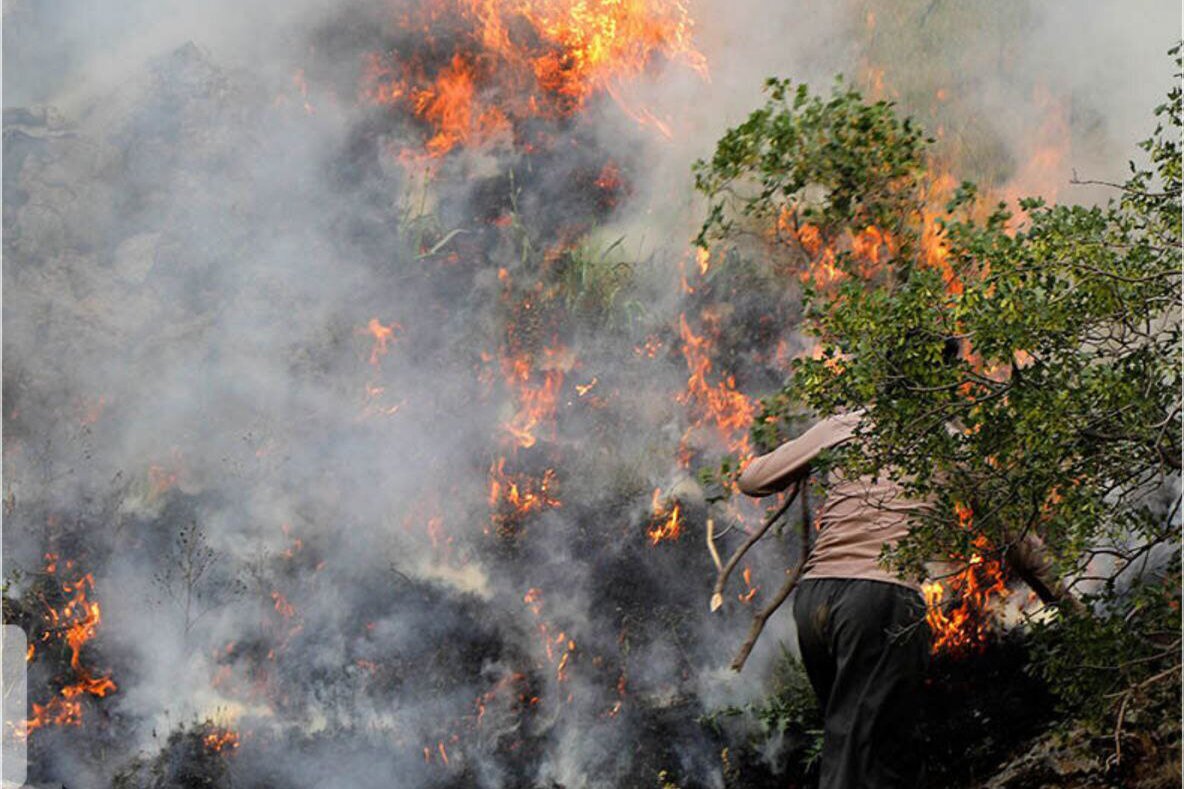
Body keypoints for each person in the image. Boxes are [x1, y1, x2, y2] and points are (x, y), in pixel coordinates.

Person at [737, 410, 931, 789]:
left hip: (816, 600)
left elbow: (751, 479)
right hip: (880, 600)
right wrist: (1060, 598)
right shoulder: (949, 439)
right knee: (861, 758)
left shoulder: (845, 424)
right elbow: (1013, 538)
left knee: (872, 745)